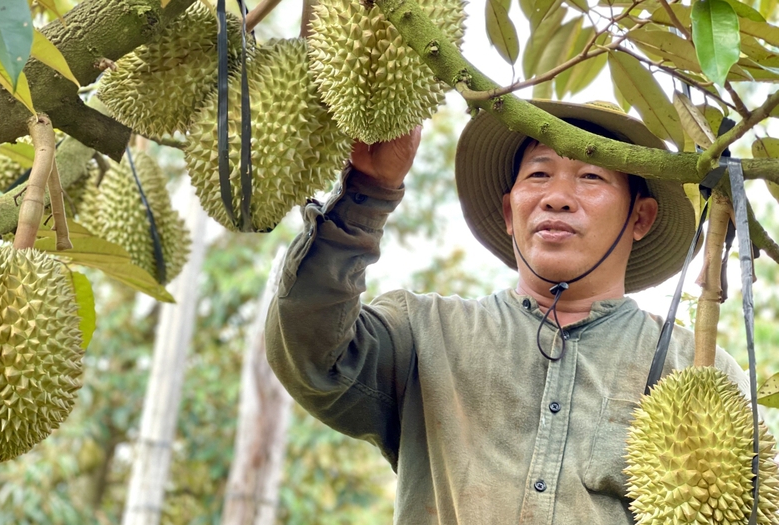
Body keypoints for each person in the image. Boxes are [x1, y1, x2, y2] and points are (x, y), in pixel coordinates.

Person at [264, 100, 748, 524]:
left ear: (640, 217)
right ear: (508, 212)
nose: (556, 197)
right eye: (538, 174)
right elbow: (311, 355)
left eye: (591, 175)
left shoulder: (698, 370)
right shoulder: (424, 332)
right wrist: (367, 192)